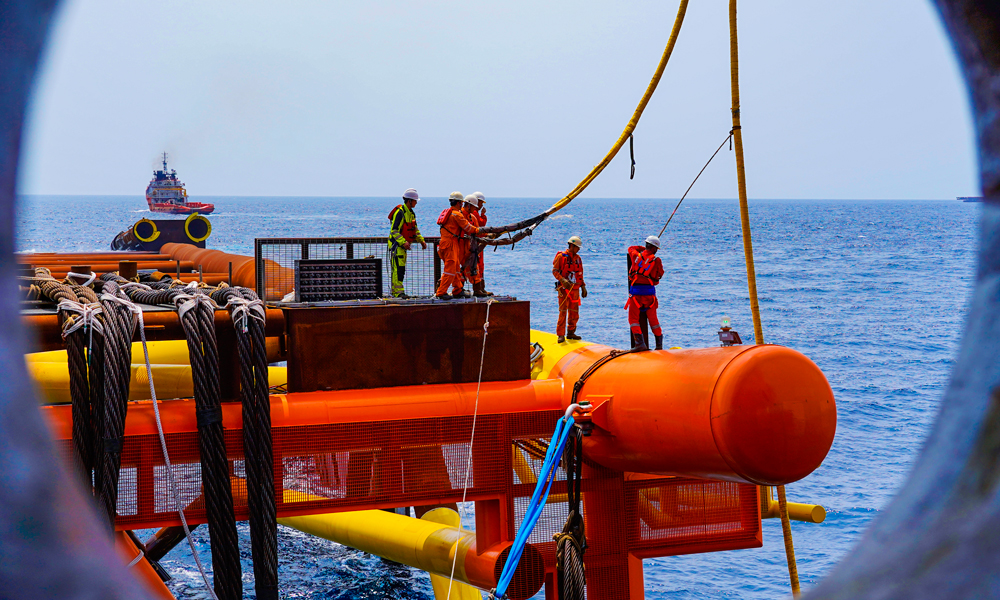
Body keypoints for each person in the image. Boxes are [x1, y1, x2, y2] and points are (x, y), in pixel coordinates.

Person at [435, 191, 481, 300]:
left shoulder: (450, 212)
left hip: (448, 243)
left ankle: (458, 289)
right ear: (459, 203)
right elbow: (468, 228)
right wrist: (480, 230)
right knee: (450, 270)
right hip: (450, 244)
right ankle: (441, 292)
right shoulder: (457, 214)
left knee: (455, 268)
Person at [626, 235, 665, 350]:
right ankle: (659, 346)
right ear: (654, 248)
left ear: (646, 245)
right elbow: (660, 275)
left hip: (636, 295)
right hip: (649, 295)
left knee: (633, 319)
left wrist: (642, 248)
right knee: (653, 320)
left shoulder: (635, 256)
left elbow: (631, 248)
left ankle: (640, 344)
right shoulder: (656, 260)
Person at [387, 188, 427, 298]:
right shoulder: (400, 213)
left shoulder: (411, 213)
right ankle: (397, 293)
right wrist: (403, 242)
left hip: (403, 246)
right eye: (415, 200)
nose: (416, 202)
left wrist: (421, 240)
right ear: (409, 201)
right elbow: (394, 230)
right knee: (398, 269)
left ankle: (398, 292)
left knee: (401, 269)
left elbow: (414, 229)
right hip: (397, 245)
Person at [552, 236, 587, 343]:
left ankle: (571, 332)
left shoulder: (578, 259)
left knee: (574, 312)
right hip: (564, 289)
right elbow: (555, 271)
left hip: (575, 290)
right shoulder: (561, 257)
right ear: (571, 246)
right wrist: (563, 280)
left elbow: (580, 274)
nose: (579, 249)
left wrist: (583, 287)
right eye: (577, 247)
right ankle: (560, 334)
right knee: (563, 312)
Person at [470, 191, 492, 296]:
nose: (482, 205)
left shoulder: (474, 213)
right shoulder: (474, 213)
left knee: (479, 266)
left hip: (478, 243)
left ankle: (481, 288)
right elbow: (480, 225)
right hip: (477, 243)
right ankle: (479, 289)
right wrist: (483, 215)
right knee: (478, 265)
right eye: (481, 202)